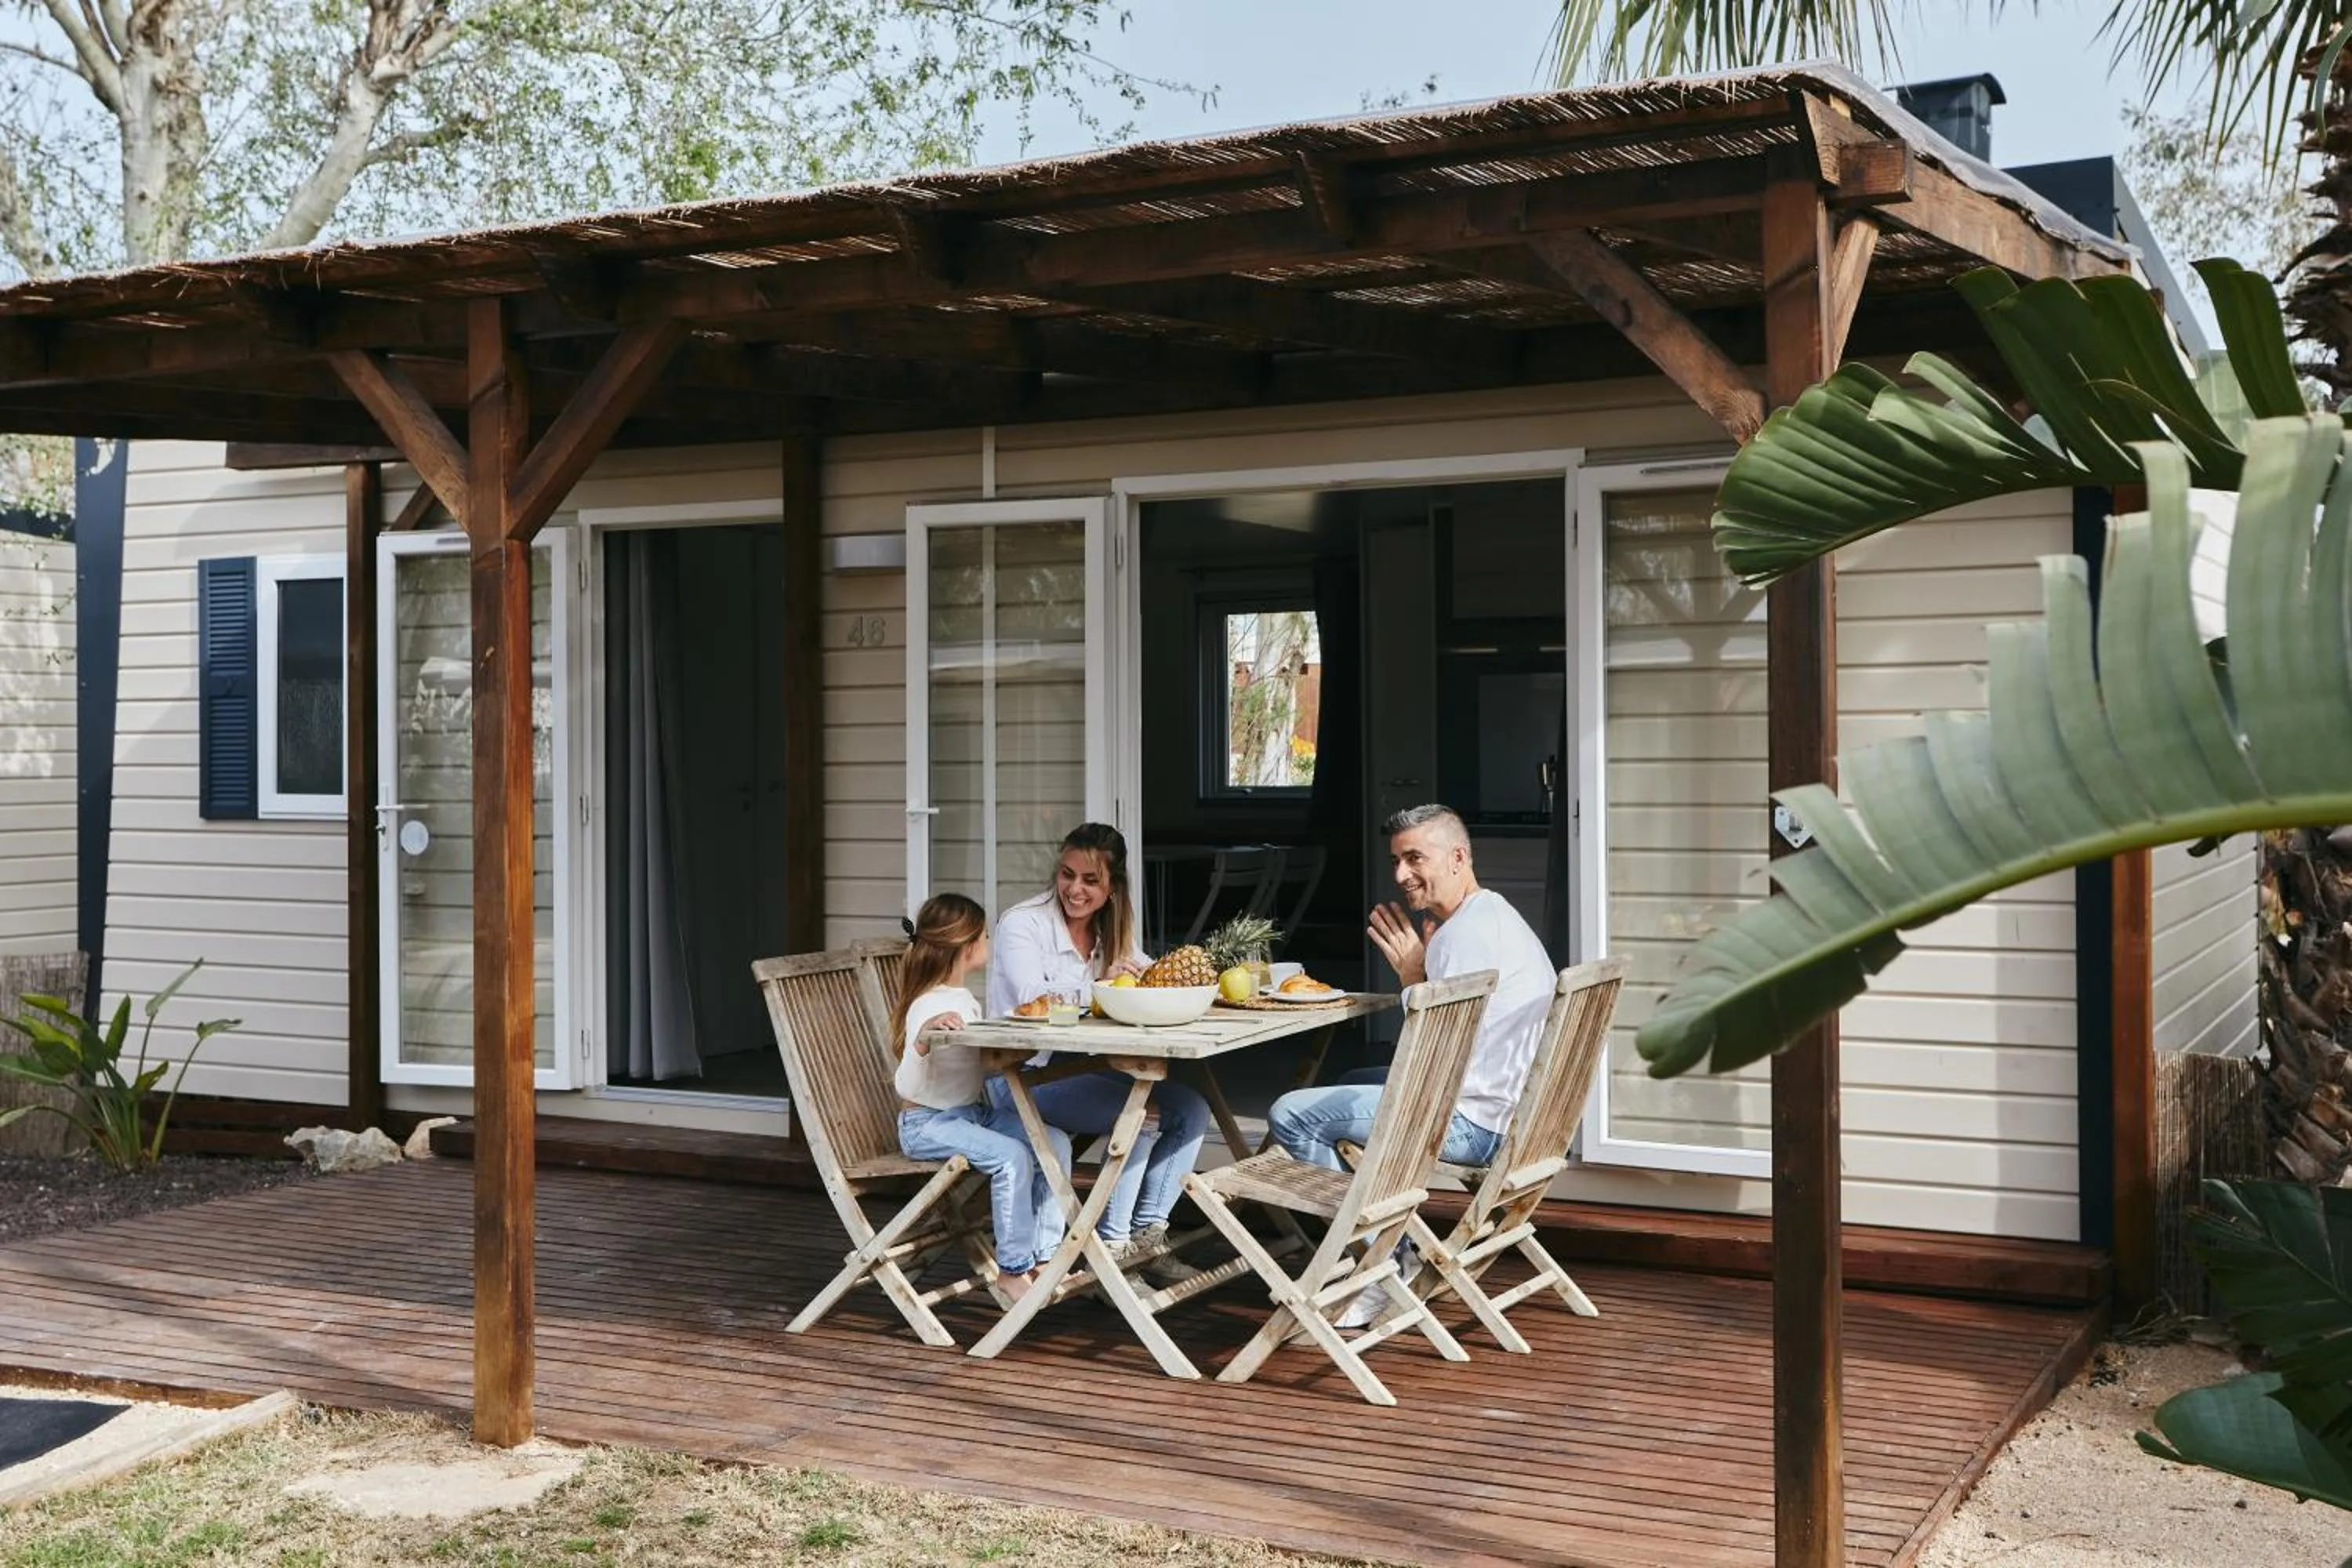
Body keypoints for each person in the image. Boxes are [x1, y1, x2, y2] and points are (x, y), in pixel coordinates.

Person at [1265, 803, 1555, 1326]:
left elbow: (1430, 1056)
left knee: (1293, 1114)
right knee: (1353, 1084)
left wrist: (1412, 977)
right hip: (1508, 1114)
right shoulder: (1491, 914)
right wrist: (1423, 975)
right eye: (1397, 860)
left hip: (1471, 1125)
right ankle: (1386, 1237)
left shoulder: (1462, 937)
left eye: (1415, 858)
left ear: (1458, 857)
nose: (1401, 875)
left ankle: (1375, 1267)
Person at [989, 822, 1210, 1285]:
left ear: (1112, 888)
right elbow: (1034, 996)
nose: (1074, 889)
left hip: (1080, 1072)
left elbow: (1148, 973)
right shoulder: (1022, 924)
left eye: (1090, 880)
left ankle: (1146, 1239)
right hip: (1019, 1078)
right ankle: (1113, 1253)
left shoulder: (1111, 929)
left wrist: (1197, 980)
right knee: (1143, 1112)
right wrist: (1101, 982)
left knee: (1191, 1109)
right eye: (1067, 875)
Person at [892, 893, 1073, 1307]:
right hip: (928, 1125)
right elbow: (906, 1083)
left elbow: (977, 1065)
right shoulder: (928, 1006)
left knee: (1055, 1143)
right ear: (967, 944)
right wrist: (923, 1040)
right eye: (985, 934)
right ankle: (1011, 1270)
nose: (990, 941)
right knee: (1011, 1157)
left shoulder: (963, 1001)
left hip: (971, 1115)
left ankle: (1044, 1258)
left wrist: (1015, 1049)